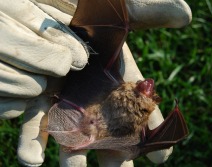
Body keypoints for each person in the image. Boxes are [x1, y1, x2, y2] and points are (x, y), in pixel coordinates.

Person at [0, 0, 192, 166]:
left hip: (95, 123)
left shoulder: (121, 91)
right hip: (85, 108)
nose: (143, 85)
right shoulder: (114, 81)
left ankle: (85, 140)